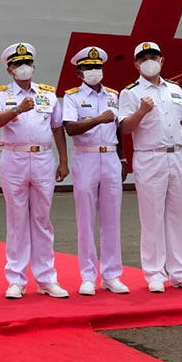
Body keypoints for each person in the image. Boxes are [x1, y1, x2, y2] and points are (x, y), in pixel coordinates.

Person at [0, 43, 69, 299]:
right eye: (18, 64)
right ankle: (16, 280)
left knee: (42, 219)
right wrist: (16, 110)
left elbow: (57, 128)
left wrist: (63, 160)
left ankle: (46, 278)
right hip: (14, 157)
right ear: (10, 69)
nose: (24, 68)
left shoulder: (48, 94)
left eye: (28, 63)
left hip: (43, 157)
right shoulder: (0, 95)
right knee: (17, 219)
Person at [118, 42, 182, 293]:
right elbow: (125, 128)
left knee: (179, 214)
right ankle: (154, 272)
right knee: (152, 216)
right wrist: (142, 111)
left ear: (162, 60)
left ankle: (180, 272)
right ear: (136, 64)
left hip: (176, 155)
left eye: (153, 57)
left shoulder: (175, 89)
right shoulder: (130, 92)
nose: (149, 61)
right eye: (143, 58)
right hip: (149, 156)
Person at [62, 46, 128, 296]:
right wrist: (97, 120)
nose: (94, 72)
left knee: (112, 219)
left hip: (110, 156)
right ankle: (88, 275)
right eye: (88, 68)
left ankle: (112, 275)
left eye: (97, 67)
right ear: (79, 73)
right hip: (86, 156)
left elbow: (119, 129)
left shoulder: (113, 95)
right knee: (86, 219)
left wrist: (122, 159)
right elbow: (70, 128)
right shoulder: (72, 97)